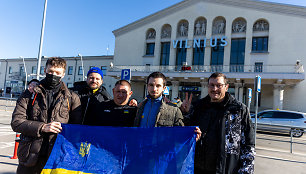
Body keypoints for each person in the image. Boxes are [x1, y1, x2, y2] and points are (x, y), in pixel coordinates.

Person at [11, 57, 82, 174]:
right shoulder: (30, 93)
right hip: (29, 157)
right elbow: (16, 122)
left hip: (56, 158)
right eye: (51, 72)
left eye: (58, 73)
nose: (54, 75)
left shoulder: (72, 97)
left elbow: (76, 129)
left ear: (63, 74)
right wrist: (42, 127)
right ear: (45, 70)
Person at [183, 72, 255, 174]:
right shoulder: (198, 107)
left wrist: (246, 171)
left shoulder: (238, 110)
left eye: (219, 85)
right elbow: (186, 134)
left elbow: (248, 144)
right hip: (197, 168)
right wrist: (185, 113)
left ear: (226, 87)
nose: (214, 89)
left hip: (226, 169)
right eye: (211, 85)